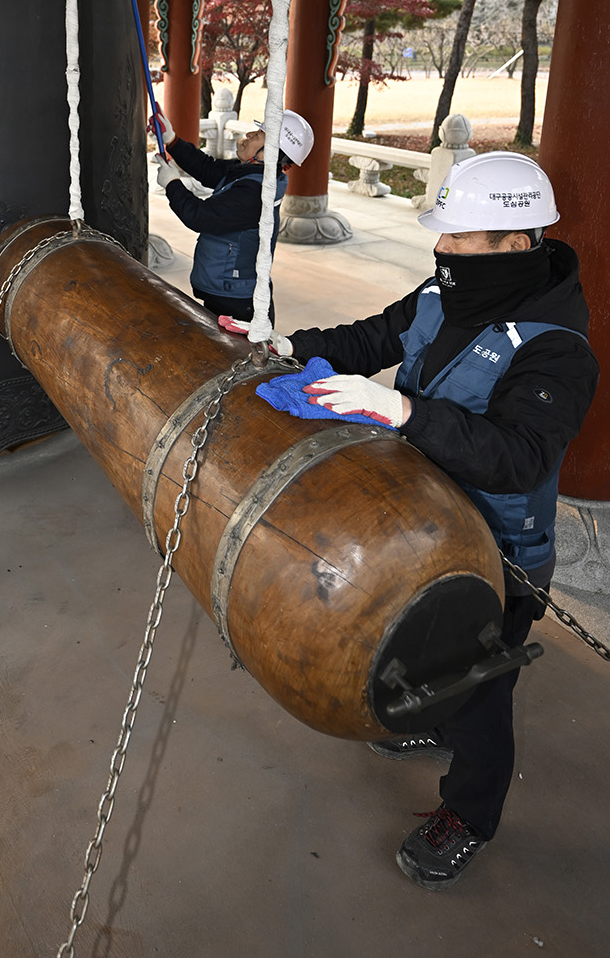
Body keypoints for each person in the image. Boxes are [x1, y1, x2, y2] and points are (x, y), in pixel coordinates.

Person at [225, 152, 598, 890]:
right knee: (428, 656)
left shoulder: (556, 346)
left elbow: (520, 457)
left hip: (495, 553)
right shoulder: (447, 290)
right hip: (421, 524)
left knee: (482, 691)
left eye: (459, 237)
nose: (442, 248)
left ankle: (470, 812)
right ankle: (435, 719)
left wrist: (403, 411)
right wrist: (293, 345)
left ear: (515, 242)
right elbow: (378, 335)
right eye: (443, 233)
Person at [152, 105, 314, 322]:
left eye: (258, 135)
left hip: (236, 301)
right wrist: (172, 140)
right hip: (228, 291)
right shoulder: (253, 173)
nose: (249, 135)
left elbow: (200, 216)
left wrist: (172, 184)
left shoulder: (255, 193)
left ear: (269, 153)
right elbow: (207, 168)